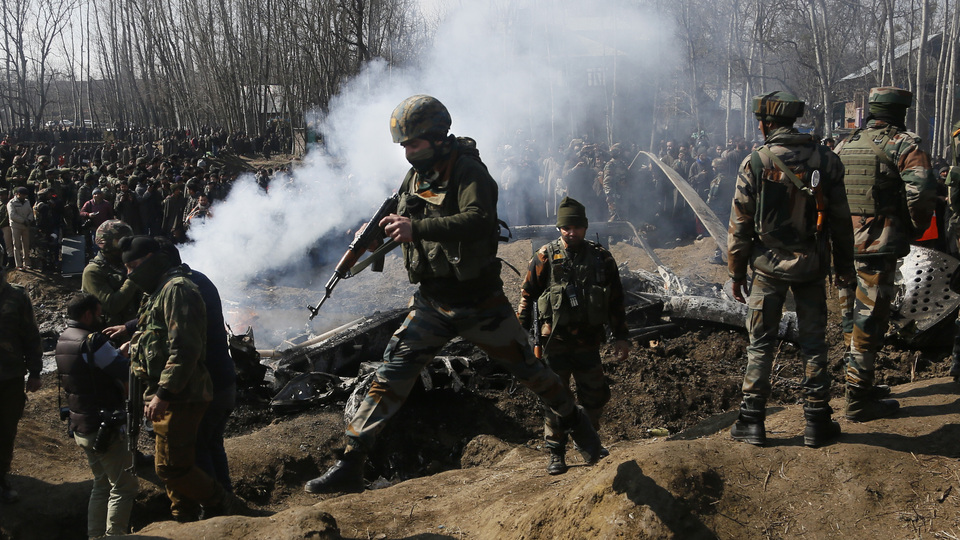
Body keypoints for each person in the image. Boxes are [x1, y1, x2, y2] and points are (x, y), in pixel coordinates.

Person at [303, 95, 603, 494]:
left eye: (413, 144)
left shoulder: (469, 171)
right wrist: (379, 230)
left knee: (532, 373)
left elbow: (479, 221)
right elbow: (405, 214)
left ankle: (578, 424)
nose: (407, 153)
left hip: (479, 301)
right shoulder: (413, 177)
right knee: (392, 371)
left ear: (437, 137)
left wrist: (417, 229)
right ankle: (351, 461)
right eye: (404, 146)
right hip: (432, 300)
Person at [728, 91, 855, 448]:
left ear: (766, 123)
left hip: (767, 268)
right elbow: (842, 221)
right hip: (812, 266)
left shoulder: (755, 162)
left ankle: (752, 421)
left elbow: (740, 225)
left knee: (760, 344)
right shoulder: (826, 160)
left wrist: (737, 273)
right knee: (814, 344)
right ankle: (816, 420)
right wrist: (845, 266)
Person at [119, 235, 251, 521]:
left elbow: (185, 345)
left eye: (135, 266)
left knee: (188, 456)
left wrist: (164, 392)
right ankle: (210, 510)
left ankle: (219, 508)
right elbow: (159, 323)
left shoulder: (180, 288)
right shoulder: (172, 286)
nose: (130, 275)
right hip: (207, 383)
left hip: (198, 387)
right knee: (208, 446)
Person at [834, 87, 936, 421]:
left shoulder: (845, 144)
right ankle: (859, 401)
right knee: (871, 319)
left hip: (843, 245)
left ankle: (858, 384)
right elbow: (920, 194)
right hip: (877, 245)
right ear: (899, 113)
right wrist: (915, 228)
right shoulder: (905, 144)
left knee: (851, 316)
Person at [516, 197, 630, 475]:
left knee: (595, 397)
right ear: (559, 228)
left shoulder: (602, 258)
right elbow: (526, 297)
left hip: (588, 343)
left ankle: (588, 442)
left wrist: (621, 336)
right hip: (554, 345)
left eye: (577, 226)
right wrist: (521, 340)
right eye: (566, 226)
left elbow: (615, 301)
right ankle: (556, 452)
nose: (571, 231)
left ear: (585, 227)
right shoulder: (545, 256)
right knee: (556, 399)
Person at [55, 294, 138, 536]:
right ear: (88, 314)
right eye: (98, 313)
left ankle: (95, 535)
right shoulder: (93, 342)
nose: (100, 318)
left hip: (81, 424)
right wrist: (127, 353)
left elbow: (89, 372)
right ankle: (115, 536)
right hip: (105, 425)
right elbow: (123, 371)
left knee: (101, 484)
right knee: (124, 486)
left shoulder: (63, 339)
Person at [0, 265, 42, 503]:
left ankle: (1, 478)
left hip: (10, 377)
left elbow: (30, 334)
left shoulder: (16, 295)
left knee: (6, 430)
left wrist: (35, 371)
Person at [82, 220, 140, 327]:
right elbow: (112, 305)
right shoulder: (93, 271)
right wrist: (133, 276)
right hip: (111, 335)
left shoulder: (123, 264)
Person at [7, 186, 33, 270]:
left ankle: (27, 262)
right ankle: (19, 264)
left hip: (26, 226)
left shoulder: (27, 202)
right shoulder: (11, 203)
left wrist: (29, 219)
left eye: (25, 195)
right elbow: (12, 215)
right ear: (17, 194)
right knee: (16, 245)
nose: (24, 197)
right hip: (16, 226)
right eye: (22, 195)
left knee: (26, 244)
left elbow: (30, 212)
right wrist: (23, 221)